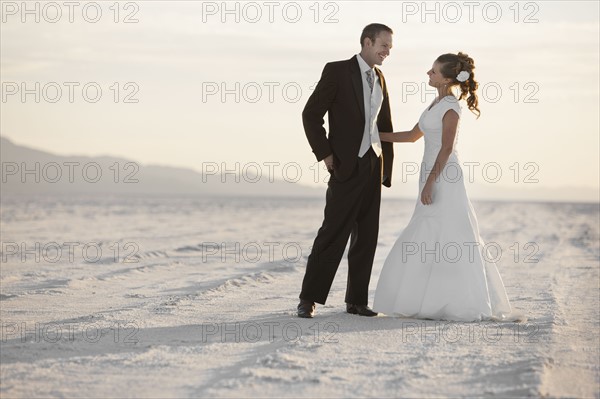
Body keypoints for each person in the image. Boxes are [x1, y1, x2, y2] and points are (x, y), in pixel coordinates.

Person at [373, 52, 517, 322]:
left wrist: (430, 183)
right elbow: (413, 136)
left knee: (451, 232)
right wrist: (375, 134)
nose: (428, 73)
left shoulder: (451, 106)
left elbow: (447, 148)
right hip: (429, 172)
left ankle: (455, 301)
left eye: (434, 71)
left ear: (447, 78)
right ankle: (423, 301)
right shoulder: (434, 103)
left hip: (444, 176)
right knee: (427, 232)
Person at [297, 23, 395, 318]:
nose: (387, 52)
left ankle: (356, 301)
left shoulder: (380, 77)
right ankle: (308, 299)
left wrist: (386, 166)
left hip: (373, 165)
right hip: (345, 165)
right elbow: (311, 115)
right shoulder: (337, 71)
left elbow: (383, 124)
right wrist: (326, 155)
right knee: (332, 233)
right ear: (367, 42)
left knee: (367, 235)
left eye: (390, 47)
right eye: (384, 45)